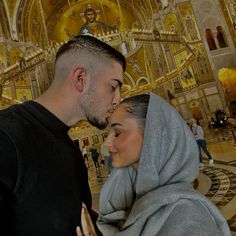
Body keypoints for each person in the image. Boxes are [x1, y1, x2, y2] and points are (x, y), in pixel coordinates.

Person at [0, 35, 126, 236]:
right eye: (113, 86)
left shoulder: (69, 150)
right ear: (80, 79)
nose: (117, 99)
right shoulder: (6, 136)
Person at [95, 93, 230, 236]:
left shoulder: (188, 219)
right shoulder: (131, 200)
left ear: (153, 135)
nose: (107, 143)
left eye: (117, 133)